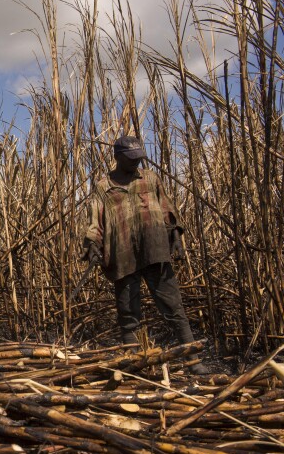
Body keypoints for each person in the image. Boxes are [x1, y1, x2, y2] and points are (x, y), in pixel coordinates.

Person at [82, 135, 210, 374]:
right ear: (117, 157)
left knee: (173, 305)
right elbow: (95, 220)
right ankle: (132, 362)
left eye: (138, 158)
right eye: (130, 158)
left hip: (154, 248)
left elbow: (167, 208)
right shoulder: (103, 186)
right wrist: (93, 245)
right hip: (122, 253)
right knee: (128, 310)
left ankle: (193, 361)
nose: (135, 163)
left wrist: (176, 238)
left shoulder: (150, 178)